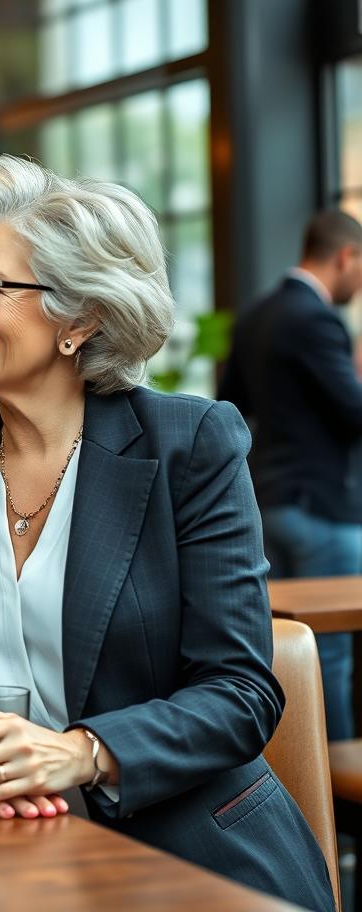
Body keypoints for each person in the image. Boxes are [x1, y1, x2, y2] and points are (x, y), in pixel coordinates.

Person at [0, 156, 334, 911]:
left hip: (188, 861)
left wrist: (76, 754)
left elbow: (241, 691)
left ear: (78, 318)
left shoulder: (191, 444)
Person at [218, 209, 362, 743]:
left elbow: (234, 402)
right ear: (345, 257)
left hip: (269, 502)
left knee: (276, 653)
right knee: (329, 660)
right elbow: (353, 413)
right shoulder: (318, 319)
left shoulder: (257, 313)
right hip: (321, 508)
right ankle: (336, 812)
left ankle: (287, 791)